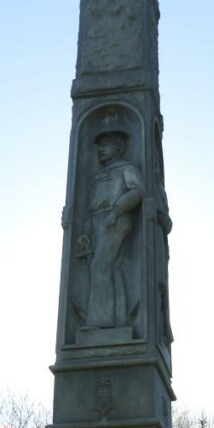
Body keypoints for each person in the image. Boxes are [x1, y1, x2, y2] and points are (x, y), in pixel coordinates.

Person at [77, 128, 144, 330]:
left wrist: (116, 211)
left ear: (118, 147)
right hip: (99, 221)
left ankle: (100, 321)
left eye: (105, 146)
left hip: (114, 220)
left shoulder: (127, 168)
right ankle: (120, 319)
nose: (100, 150)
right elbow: (91, 205)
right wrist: (86, 232)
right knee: (110, 269)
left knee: (101, 267)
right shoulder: (101, 175)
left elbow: (138, 190)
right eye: (100, 147)